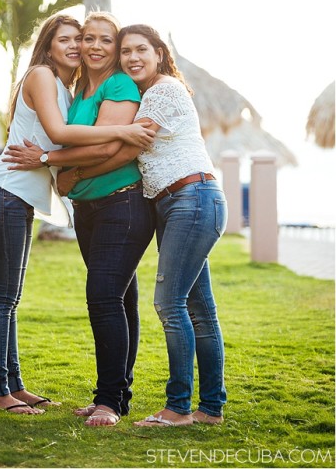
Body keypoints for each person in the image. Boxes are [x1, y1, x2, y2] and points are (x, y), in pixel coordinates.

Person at [0, 13, 153, 416]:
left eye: (83, 39)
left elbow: (62, 144)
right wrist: (123, 131)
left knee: (10, 298)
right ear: (49, 46)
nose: (77, 46)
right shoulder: (40, 74)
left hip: (17, 195)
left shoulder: (69, 90)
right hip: (5, 190)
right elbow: (56, 136)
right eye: (69, 39)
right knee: (2, 297)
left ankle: (12, 385)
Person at [113, 24, 227, 427]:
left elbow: (130, 143)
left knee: (169, 303)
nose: (132, 58)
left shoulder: (162, 90)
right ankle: (210, 409)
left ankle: (178, 407)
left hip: (190, 200)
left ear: (159, 53)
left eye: (141, 49)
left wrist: (55, 157)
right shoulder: (147, 94)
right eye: (125, 51)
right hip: (183, 202)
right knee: (200, 310)